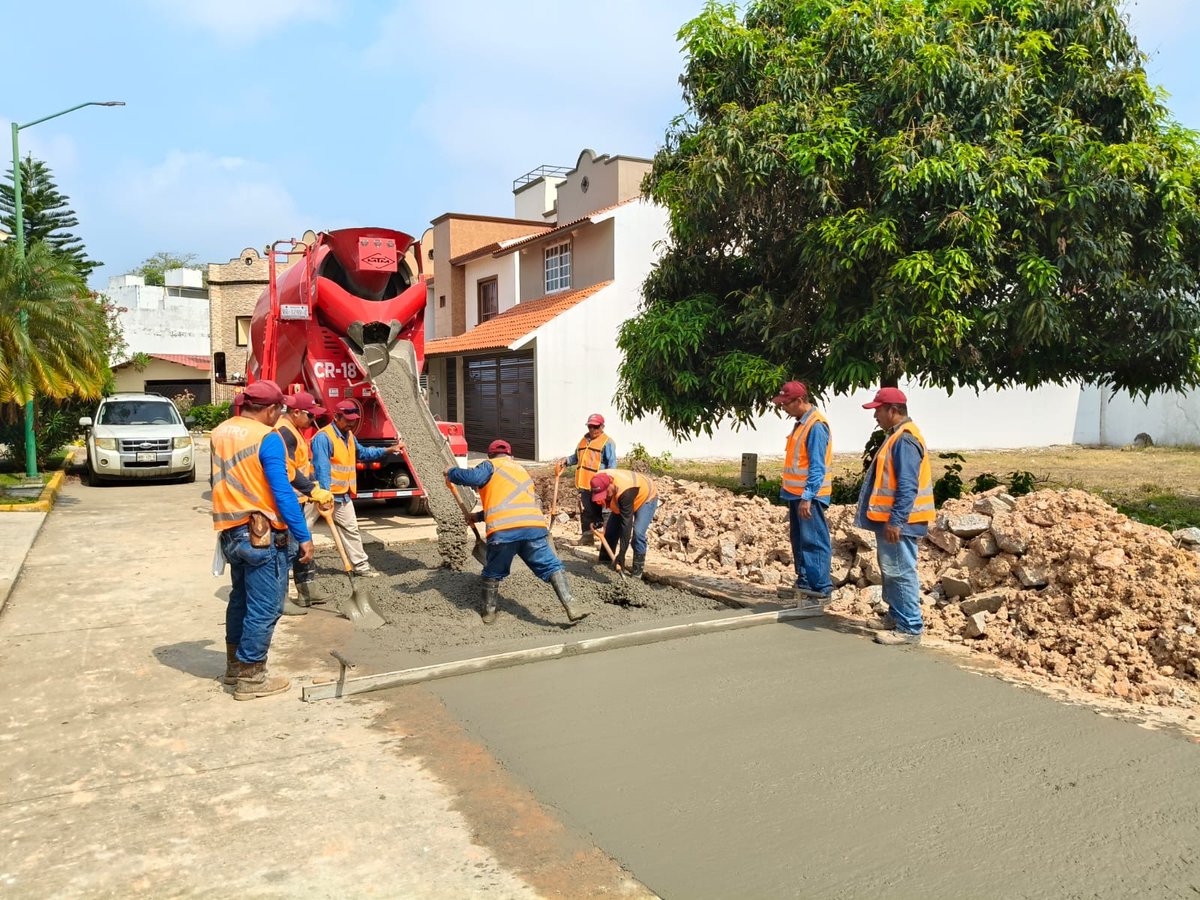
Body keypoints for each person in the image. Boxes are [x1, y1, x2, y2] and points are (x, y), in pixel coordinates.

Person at [211, 379, 315, 700]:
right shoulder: (267, 438)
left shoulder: (221, 431)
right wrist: (303, 535)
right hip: (261, 532)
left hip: (229, 530)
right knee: (266, 606)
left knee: (240, 598)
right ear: (270, 410)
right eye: (278, 410)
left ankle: (234, 668)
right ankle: (252, 678)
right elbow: (282, 492)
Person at [446, 440, 588, 626]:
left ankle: (488, 612)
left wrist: (451, 472)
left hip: (504, 533)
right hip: (533, 528)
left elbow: (473, 477)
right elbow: (512, 503)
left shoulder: (490, 466)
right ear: (510, 455)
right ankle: (571, 604)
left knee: (493, 571)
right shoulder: (521, 470)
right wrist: (478, 516)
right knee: (551, 566)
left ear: (490, 455)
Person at [855, 387, 935, 646]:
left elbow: (907, 485)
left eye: (878, 410)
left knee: (900, 571)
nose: (875, 415)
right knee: (891, 569)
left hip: (902, 522)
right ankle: (896, 615)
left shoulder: (905, 440)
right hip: (895, 520)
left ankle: (910, 628)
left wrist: (896, 520)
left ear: (893, 410)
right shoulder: (897, 436)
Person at [310, 399, 405, 577]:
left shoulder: (349, 436)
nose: (352, 424)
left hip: (342, 494)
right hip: (319, 495)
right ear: (336, 417)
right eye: (348, 420)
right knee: (302, 529)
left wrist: (388, 450)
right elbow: (322, 469)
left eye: (353, 420)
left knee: (351, 529)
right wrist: (324, 496)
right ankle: (294, 568)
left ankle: (360, 567)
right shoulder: (324, 438)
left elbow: (363, 453)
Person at [771, 381, 834, 610]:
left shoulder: (816, 426)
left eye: (786, 404)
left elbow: (817, 467)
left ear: (799, 401)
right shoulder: (801, 424)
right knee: (799, 541)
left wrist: (808, 496)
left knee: (814, 541)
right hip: (796, 494)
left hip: (810, 497)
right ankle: (805, 584)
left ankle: (820, 590)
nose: (783, 408)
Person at [276, 391, 334, 611]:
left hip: (298, 499)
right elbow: (288, 470)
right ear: (296, 412)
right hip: (287, 501)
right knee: (288, 549)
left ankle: (307, 591)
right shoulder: (285, 432)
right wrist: (312, 489)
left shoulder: (295, 430)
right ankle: (279, 600)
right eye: (310, 416)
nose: (313, 421)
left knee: (304, 546)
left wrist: (313, 485)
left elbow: (300, 466)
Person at [558, 413, 617, 545]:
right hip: (585, 484)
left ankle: (607, 542)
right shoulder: (583, 440)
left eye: (595, 427)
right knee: (588, 511)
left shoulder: (607, 443)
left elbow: (612, 465)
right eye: (590, 426)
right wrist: (566, 461)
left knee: (605, 512)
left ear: (602, 426)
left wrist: (610, 483)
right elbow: (577, 457)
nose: (592, 429)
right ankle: (587, 537)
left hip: (600, 486)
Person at [590, 469, 659, 577]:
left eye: (606, 493)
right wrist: (597, 519)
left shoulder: (625, 491)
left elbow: (626, 525)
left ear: (611, 482)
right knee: (610, 532)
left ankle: (637, 574)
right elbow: (593, 502)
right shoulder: (596, 481)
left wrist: (622, 554)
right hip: (621, 500)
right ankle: (604, 564)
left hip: (646, 497)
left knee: (638, 533)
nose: (605, 497)